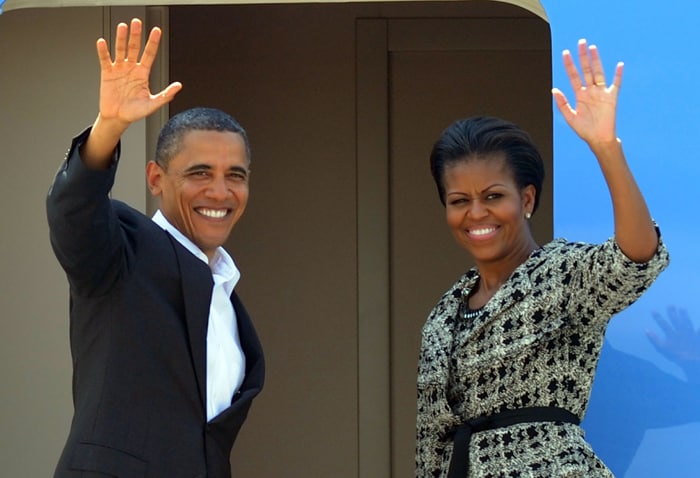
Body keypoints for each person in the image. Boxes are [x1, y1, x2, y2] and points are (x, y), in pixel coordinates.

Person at [415, 40, 670, 477]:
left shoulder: (560, 274)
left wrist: (606, 148)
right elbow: (430, 445)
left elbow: (634, 260)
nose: (476, 213)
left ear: (526, 198)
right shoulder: (443, 315)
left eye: (493, 196)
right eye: (460, 200)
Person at [46, 18, 264, 478]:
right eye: (200, 173)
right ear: (155, 179)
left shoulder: (226, 296)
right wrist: (109, 126)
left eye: (235, 176)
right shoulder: (123, 251)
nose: (220, 193)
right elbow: (73, 210)